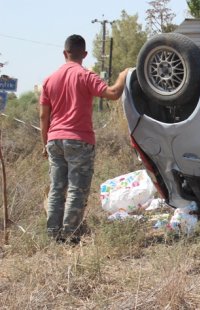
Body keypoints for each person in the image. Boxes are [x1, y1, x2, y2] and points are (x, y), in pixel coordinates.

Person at [40, 34, 129, 243]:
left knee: (56, 188)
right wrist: (124, 75)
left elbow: (44, 115)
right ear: (85, 54)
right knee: (76, 189)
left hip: (54, 140)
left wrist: (45, 143)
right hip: (79, 140)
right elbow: (113, 93)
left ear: (64, 53)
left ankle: (53, 234)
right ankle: (71, 235)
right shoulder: (86, 76)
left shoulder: (49, 80)